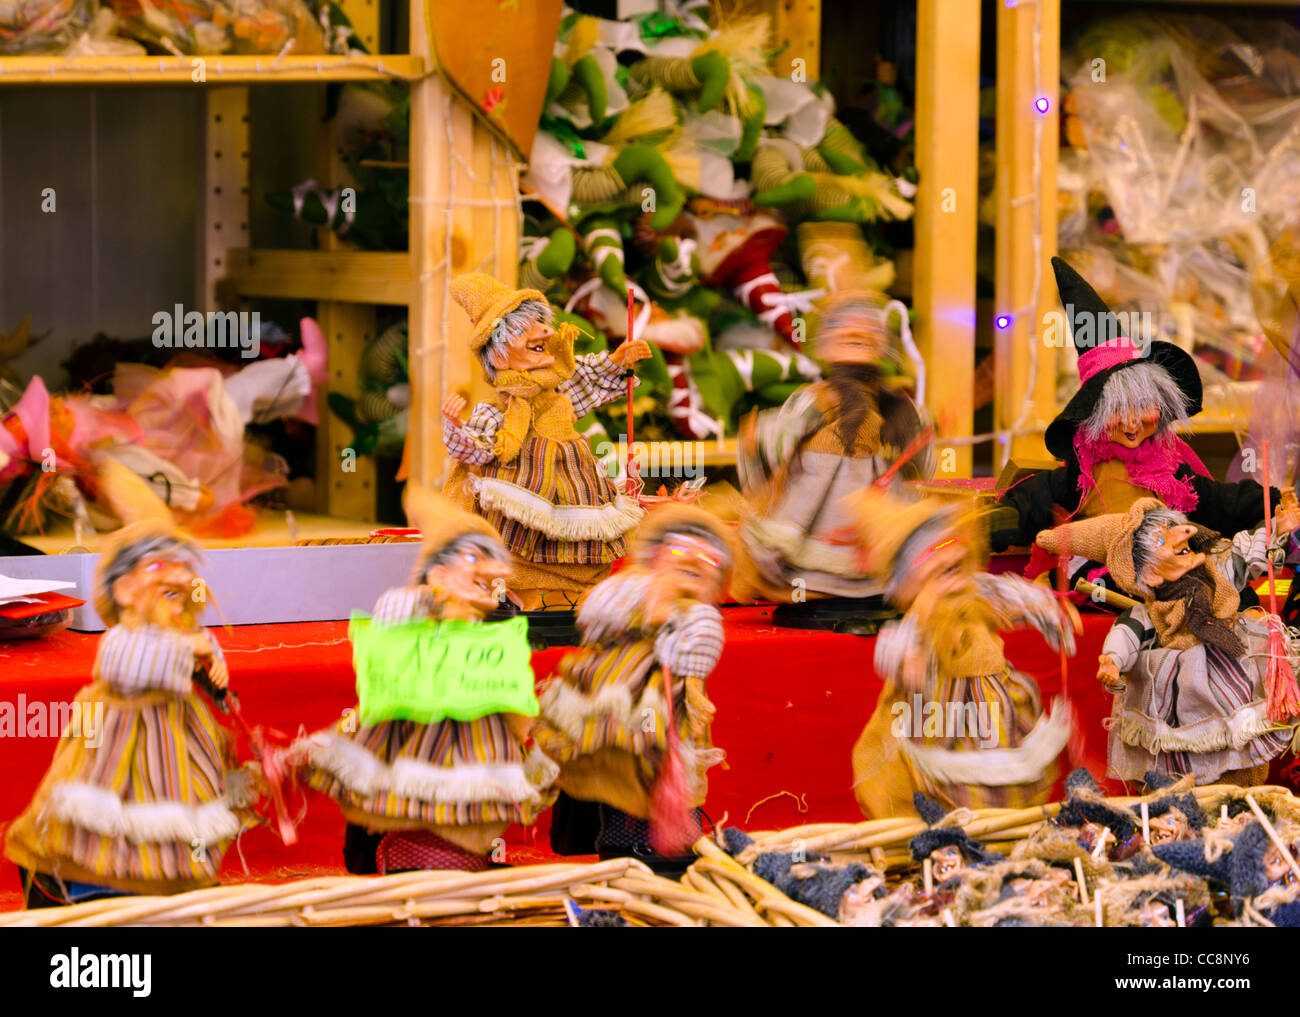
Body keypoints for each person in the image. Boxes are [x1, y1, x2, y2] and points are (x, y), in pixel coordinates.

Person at [4, 464, 258, 907]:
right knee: (114, 810)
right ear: (123, 590)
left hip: (179, 735)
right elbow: (130, 666)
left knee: (179, 804)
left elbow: (198, 655)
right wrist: (186, 653)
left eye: (181, 567)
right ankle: (97, 880)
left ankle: (166, 876)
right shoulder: (123, 639)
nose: (176, 577)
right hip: (119, 741)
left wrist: (209, 661)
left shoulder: (186, 636)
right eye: (159, 565)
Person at [296, 485, 558, 873]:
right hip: (424, 740)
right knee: (428, 805)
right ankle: (422, 866)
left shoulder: (486, 626)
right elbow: (391, 617)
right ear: (438, 569)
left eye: (495, 559)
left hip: (478, 740)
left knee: (471, 809)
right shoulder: (413, 607)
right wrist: (434, 600)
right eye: (472, 556)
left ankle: (462, 862)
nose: (494, 571)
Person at [992, 257, 1283, 556]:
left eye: (1142, 406)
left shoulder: (1172, 471)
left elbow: (1219, 502)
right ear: (1094, 414)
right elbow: (1035, 499)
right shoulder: (1084, 475)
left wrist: (1273, 500)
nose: (1131, 424)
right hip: (1101, 579)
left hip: (1165, 573)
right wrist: (993, 524)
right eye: (1116, 411)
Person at [846, 488, 1078, 818]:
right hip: (943, 706)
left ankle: (1004, 819)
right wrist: (905, 663)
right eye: (938, 575)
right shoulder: (922, 615)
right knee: (948, 772)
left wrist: (1049, 612)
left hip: (995, 699)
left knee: (1007, 759)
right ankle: (958, 820)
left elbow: (1015, 595)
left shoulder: (978, 589)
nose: (953, 582)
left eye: (956, 567)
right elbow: (892, 643)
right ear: (914, 585)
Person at [1037, 496, 1300, 785]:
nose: (1182, 537)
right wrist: (1112, 659)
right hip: (1178, 692)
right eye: (1163, 540)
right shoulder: (1154, 612)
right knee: (1179, 757)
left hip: (1228, 667)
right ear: (1148, 574)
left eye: (1176, 529)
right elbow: (1127, 632)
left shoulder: (1216, 577)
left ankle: (1240, 787)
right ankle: (1186, 795)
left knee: (1238, 743)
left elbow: (1244, 553)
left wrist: (1278, 528)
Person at [530, 504, 732, 866]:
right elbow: (592, 618)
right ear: (654, 557)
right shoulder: (626, 591)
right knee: (616, 767)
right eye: (677, 550)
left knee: (654, 764)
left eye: (708, 560)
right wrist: (649, 596)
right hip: (606, 706)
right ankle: (622, 837)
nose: (692, 561)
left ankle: (662, 837)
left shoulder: (701, 618)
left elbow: (692, 660)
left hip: (660, 714)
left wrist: (670, 619)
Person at [441, 273, 649, 610]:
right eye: (524, 329)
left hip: (574, 483)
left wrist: (618, 360)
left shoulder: (559, 388)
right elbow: (475, 448)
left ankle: (572, 595)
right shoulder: (503, 412)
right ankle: (520, 596)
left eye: (540, 323)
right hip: (525, 486)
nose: (545, 332)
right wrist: (455, 428)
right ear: (499, 357)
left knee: (580, 541)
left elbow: (589, 379)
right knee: (519, 545)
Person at [734, 289, 932, 616]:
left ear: (882, 344)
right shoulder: (813, 400)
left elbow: (919, 466)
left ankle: (875, 589)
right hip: (818, 510)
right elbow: (780, 437)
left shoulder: (899, 408)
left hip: (876, 519)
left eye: (869, 326)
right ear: (825, 343)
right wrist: (760, 439)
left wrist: (922, 429)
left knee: (881, 555)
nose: (856, 329)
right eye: (842, 324)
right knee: (816, 567)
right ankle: (819, 590)